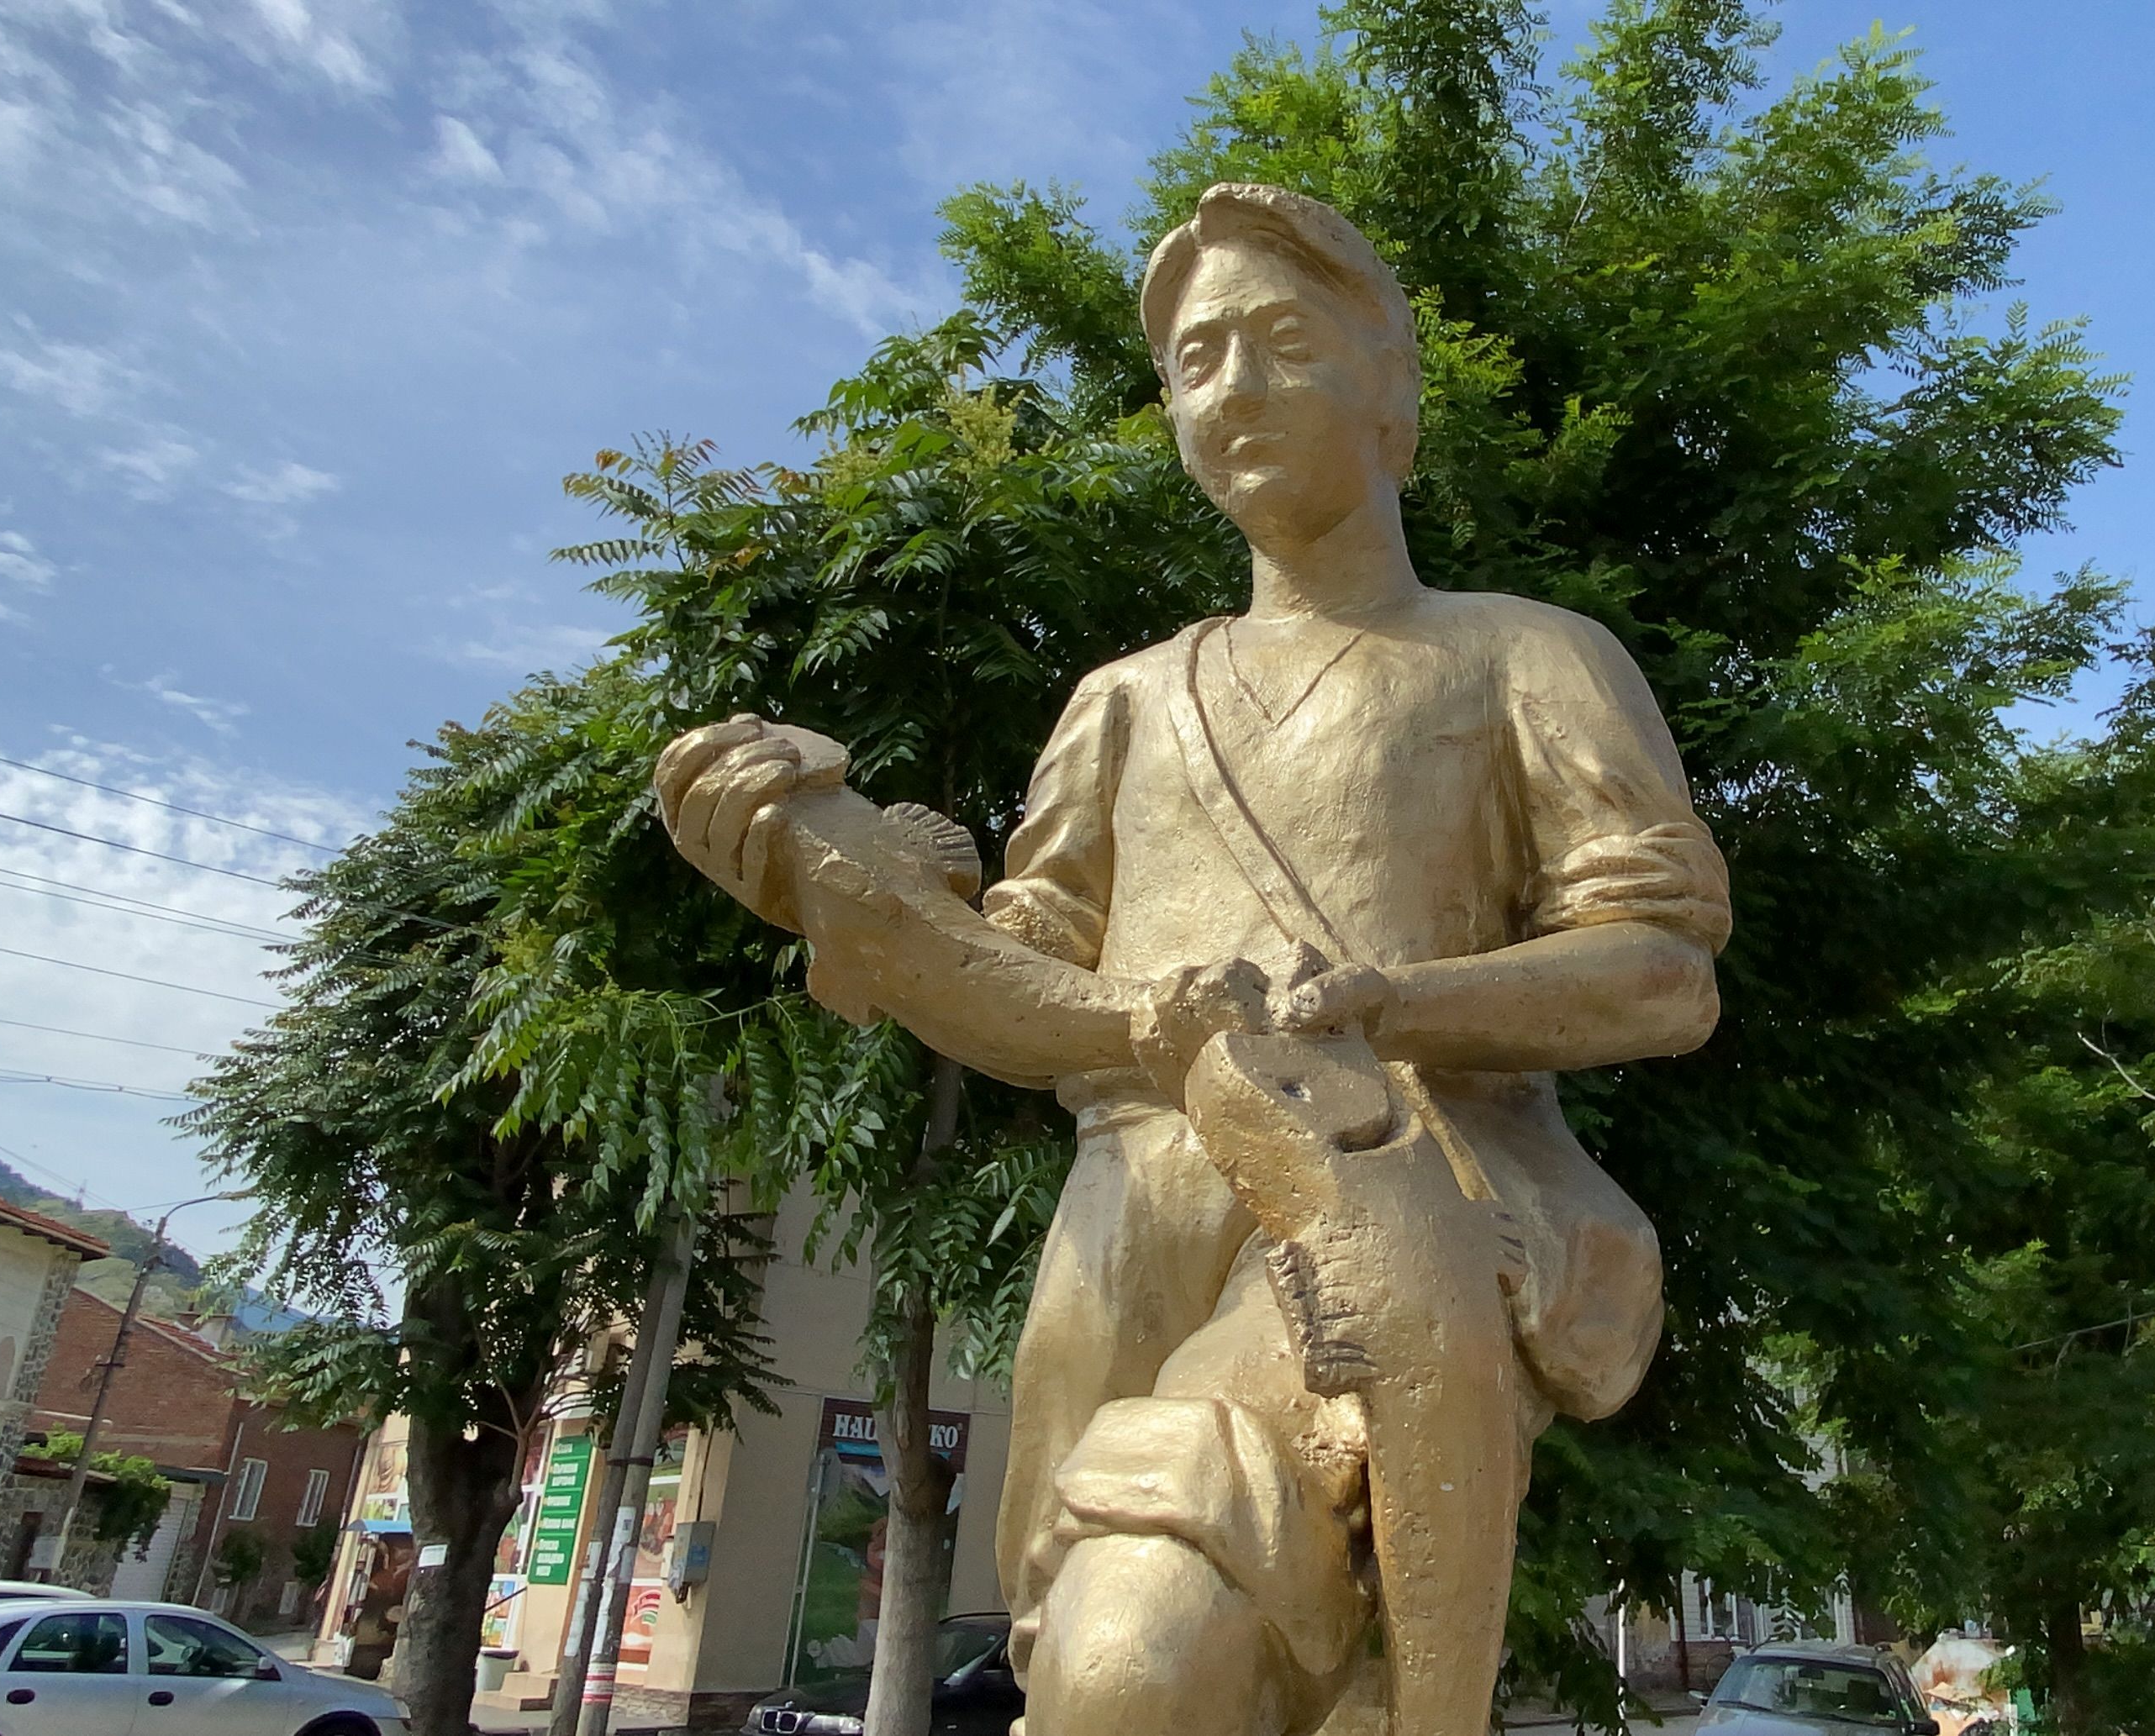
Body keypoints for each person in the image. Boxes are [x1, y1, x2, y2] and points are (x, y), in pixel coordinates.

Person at [656, 182, 1731, 1736]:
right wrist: (831, 878)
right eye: (1195, 359)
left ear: (1393, 390)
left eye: (1283, 340)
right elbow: (1020, 985)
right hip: (1122, 1231)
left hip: (1388, 1203)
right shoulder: (1124, 701)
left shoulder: (1525, 654)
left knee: (1136, 1653)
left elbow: (1662, 972)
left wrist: (1396, 1002)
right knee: (1125, 1668)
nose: (1234, 384)